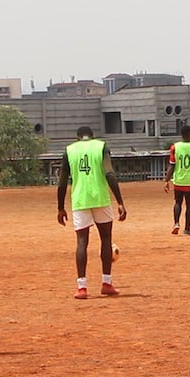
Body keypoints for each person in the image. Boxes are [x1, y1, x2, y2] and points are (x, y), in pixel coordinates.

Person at [57, 126, 128, 300]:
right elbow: (110, 174)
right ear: (92, 136)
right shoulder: (101, 146)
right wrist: (120, 201)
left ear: (78, 137)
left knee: (82, 242)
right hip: (100, 198)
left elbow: (62, 181)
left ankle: (82, 287)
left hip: (80, 200)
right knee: (106, 239)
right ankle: (106, 283)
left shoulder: (69, 150)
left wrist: (60, 208)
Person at [164, 125, 190, 235]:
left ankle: (176, 223)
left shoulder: (175, 147)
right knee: (189, 205)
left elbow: (171, 165)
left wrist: (167, 180)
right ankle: (187, 229)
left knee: (178, 202)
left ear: (182, 135)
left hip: (178, 181)